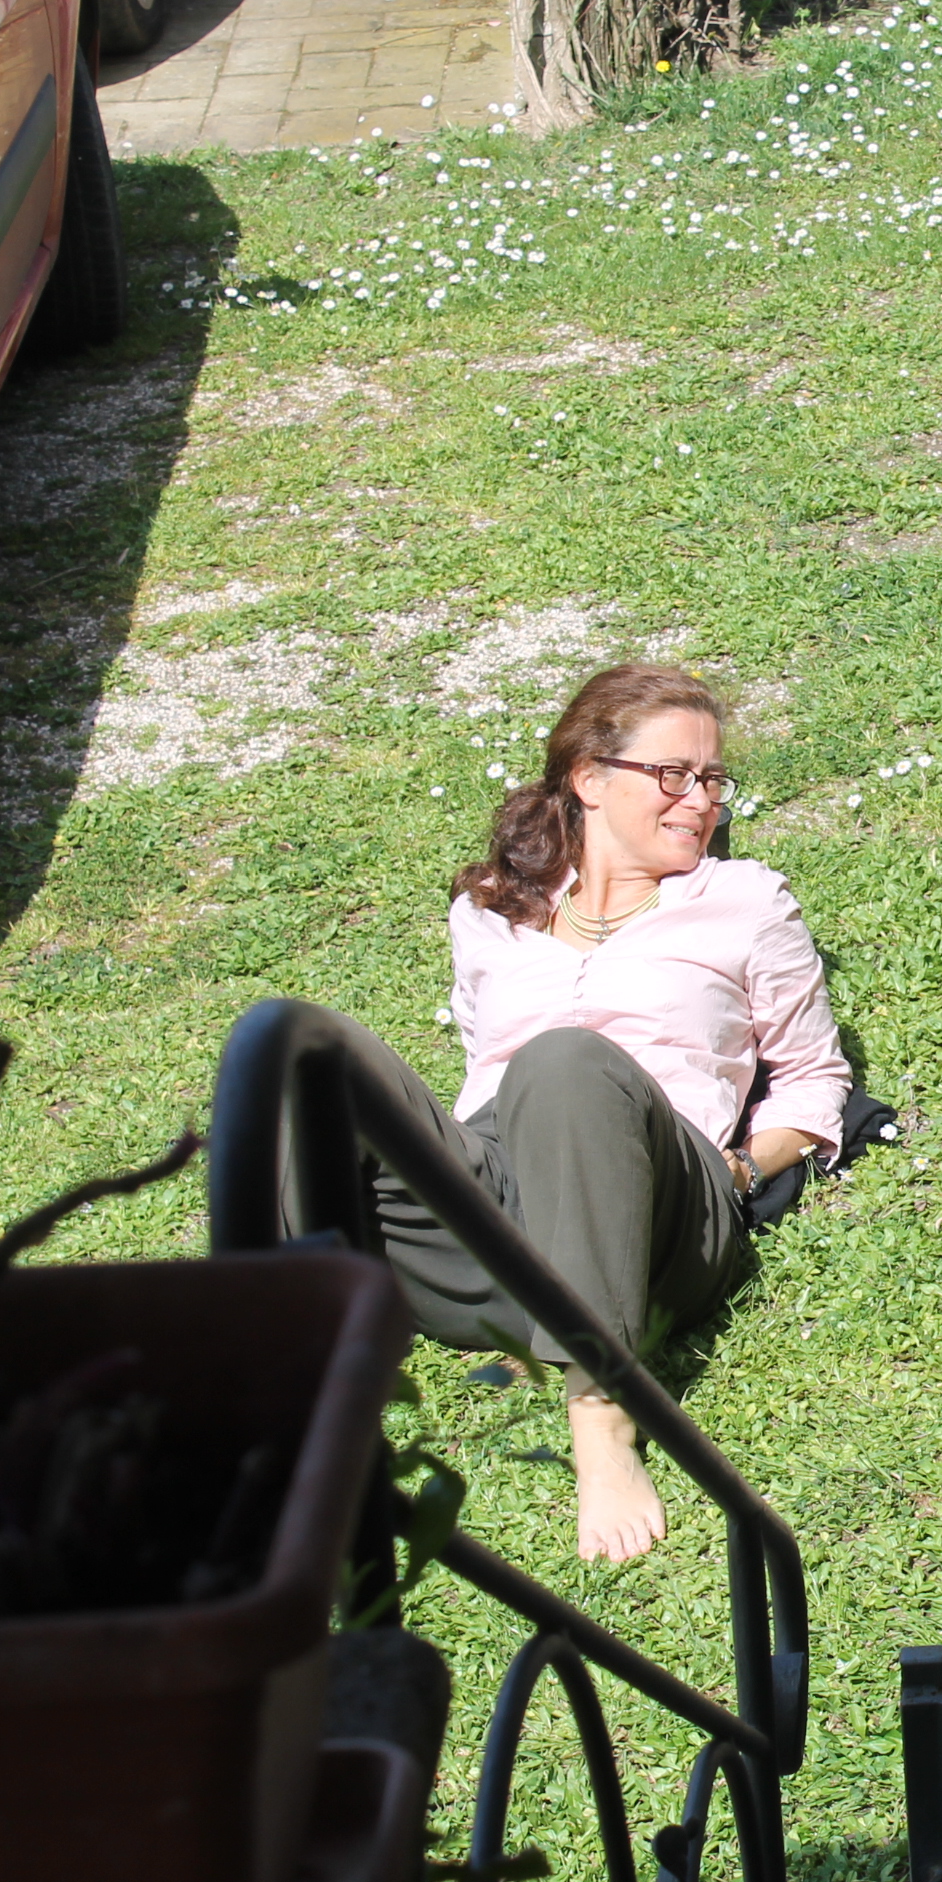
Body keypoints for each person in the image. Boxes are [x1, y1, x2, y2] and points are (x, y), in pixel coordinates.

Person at [285, 664, 846, 1561]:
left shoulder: (743, 903)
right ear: (589, 779)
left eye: (712, 779)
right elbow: (482, 1060)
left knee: (565, 1059)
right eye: (674, 775)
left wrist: (743, 1167)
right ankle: (300, 1373)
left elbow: (815, 1079)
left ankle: (601, 1409)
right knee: (302, 1048)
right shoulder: (490, 912)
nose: (701, 800)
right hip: (501, 1201)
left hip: (662, 1199)